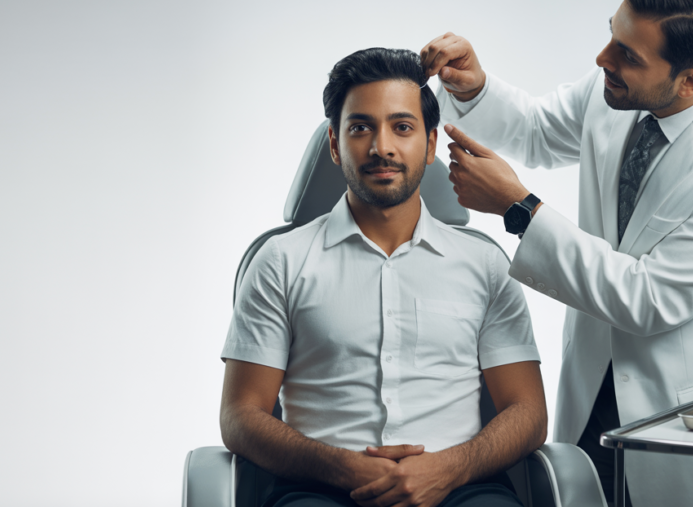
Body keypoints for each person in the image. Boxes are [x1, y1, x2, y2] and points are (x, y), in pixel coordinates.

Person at [423, 0, 693, 507]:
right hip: (594, 387)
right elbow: (541, 131)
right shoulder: (620, 89)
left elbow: (649, 298)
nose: (602, 60)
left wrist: (519, 209)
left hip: (686, 412)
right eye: (611, 34)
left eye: (627, 55)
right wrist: (475, 90)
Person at [219, 47, 547, 507]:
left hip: (459, 488)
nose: (382, 148)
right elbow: (240, 416)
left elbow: (528, 413)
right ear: (335, 144)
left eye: (402, 127)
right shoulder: (280, 260)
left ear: (431, 145)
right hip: (320, 489)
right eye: (360, 128)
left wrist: (450, 468)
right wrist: (342, 466)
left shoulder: (486, 263)